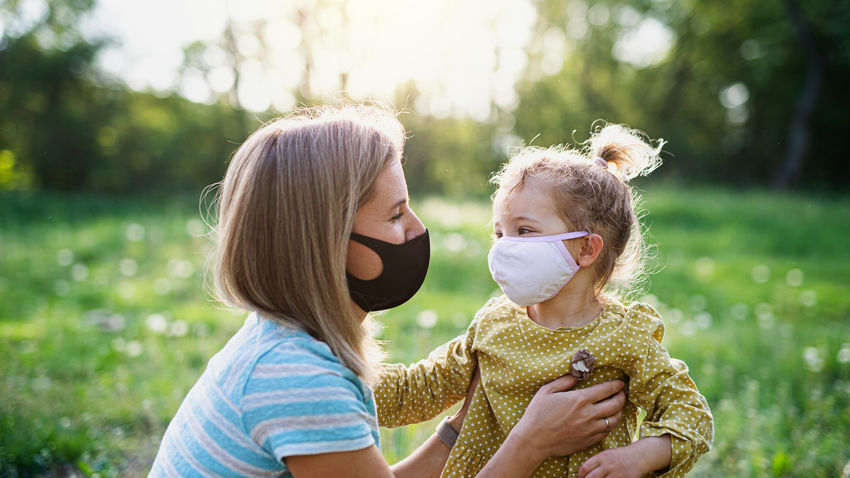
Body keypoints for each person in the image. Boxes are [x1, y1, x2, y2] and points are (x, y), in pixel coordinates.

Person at [148, 104, 627, 478]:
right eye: (396, 215)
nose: (418, 228)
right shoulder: (296, 377)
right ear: (326, 240)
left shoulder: (287, 343)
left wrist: (463, 425)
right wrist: (532, 441)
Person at [375, 124, 714, 477]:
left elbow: (691, 416)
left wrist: (639, 456)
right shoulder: (494, 324)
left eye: (524, 230)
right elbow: (418, 389)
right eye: (499, 232)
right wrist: (336, 377)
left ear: (586, 248)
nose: (505, 246)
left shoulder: (626, 335)